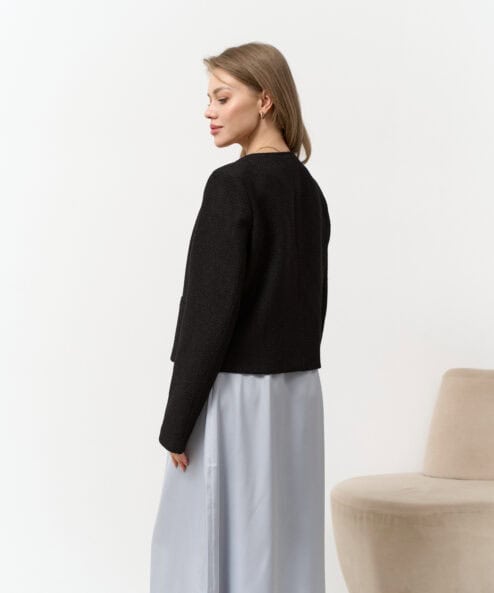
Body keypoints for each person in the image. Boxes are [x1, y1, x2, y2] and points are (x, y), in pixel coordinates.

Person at [150, 41, 331, 593]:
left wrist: (177, 422)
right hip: (299, 397)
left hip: (234, 398)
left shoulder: (232, 186)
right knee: (284, 547)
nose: (209, 111)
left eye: (222, 97)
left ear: (266, 100)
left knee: (204, 550)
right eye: (209, 98)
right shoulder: (309, 191)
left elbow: (209, 312)